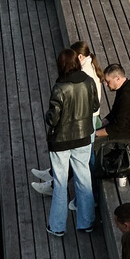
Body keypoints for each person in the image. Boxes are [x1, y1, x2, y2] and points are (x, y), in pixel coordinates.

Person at [45, 46, 99, 236]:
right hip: (83, 137)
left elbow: (53, 118)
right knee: (83, 179)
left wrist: (47, 116)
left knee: (60, 183)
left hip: (61, 141)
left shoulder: (60, 88)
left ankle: (57, 226)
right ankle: (87, 222)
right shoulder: (89, 81)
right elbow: (95, 106)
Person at [95, 63, 130, 184]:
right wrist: (101, 122)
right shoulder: (125, 87)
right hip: (124, 128)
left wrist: (96, 133)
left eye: (108, 81)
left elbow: (117, 128)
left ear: (117, 78)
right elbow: (114, 112)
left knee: (92, 145)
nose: (106, 84)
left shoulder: (128, 97)